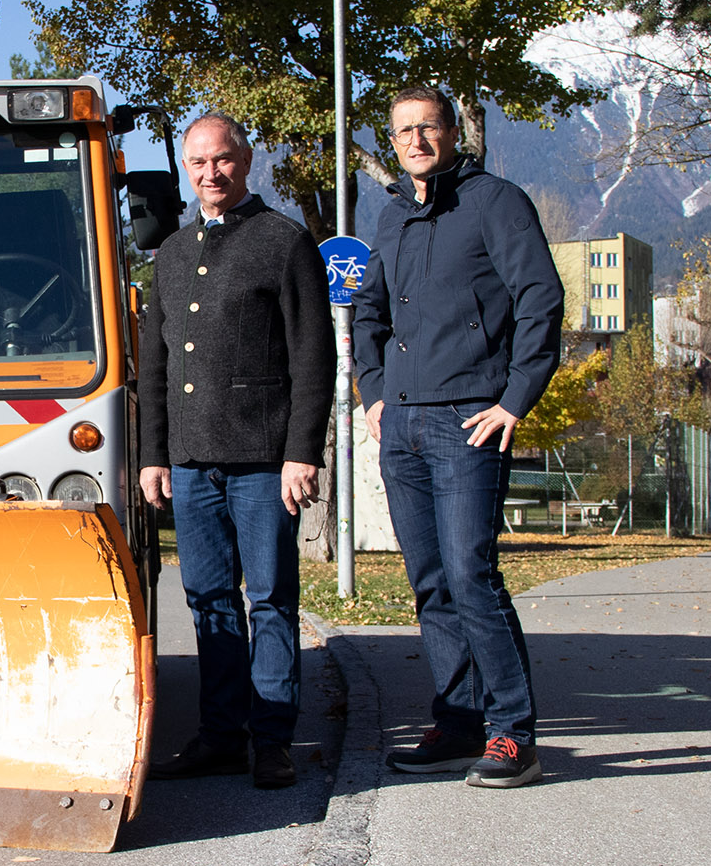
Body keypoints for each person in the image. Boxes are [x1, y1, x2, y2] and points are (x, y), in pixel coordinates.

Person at [352, 87, 564, 788]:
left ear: (452, 132)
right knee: (431, 583)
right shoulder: (390, 216)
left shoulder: (494, 201)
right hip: (403, 423)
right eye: (403, 130)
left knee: (472, 575)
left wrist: (514, 400)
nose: (415, 139)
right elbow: (368, 312)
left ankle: (513, 735)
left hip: (470, 418)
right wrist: (374, 394)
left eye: (427, 126)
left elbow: (541, 298)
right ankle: (458, 722)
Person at [136, 112, 335, 791]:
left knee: (272, 598)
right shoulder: (170, 253)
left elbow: (315, 356)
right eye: (198, 163)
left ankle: (273, 738)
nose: (210, 173)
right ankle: (221, 736)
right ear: (186, 171)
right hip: (191, 461)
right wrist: (153, 454)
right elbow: (156, 365)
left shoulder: (283, 242)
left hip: (262, 459)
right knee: (207, 599)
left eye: (221, 160)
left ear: (245, 162)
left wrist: (302, 451)